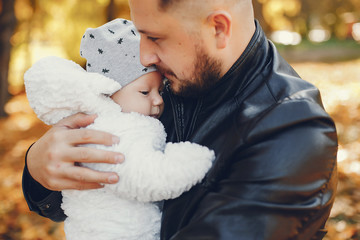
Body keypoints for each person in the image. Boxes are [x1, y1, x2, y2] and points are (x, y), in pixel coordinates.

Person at [23, 0, 338, 239]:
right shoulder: (163, 83)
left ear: (218, 28)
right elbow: (88, 200)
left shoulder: (293, 131)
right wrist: (37, 168)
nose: (144, 57)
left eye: (155, 38)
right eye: (138, 35)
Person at [24, 19, 214, 240]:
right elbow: (143, 175)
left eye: (160, 91)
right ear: (108, 93)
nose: (158, 100)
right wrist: (34, 167)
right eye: (145, 92)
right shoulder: (110, 129)